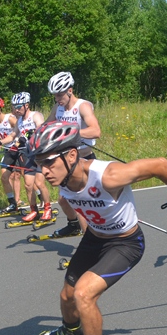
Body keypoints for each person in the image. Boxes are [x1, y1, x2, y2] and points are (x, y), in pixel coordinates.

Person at [27, 121, 167, 335]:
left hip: (126, 243)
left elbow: (161, 164)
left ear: (71, 155)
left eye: (48, 163)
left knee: (83, 294)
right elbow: (71, 200)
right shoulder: (64, 178)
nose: (43, 172)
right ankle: (71, 332)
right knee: (67, 297)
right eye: (39, 164)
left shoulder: (109, 176)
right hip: (95, 239)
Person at [47, 71, 101, 238]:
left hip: (83, 159)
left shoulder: (83, 106)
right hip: (67, 161)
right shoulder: (58, 107)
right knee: (63, 200)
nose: (57, 99)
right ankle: (73, 226)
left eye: (60, 95)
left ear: (70, 90)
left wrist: (70, 132)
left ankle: (89, 245)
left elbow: (95, 131)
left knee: (82, 204)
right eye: (55, 96)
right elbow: (46, 125)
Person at [10, 92, 54, 223]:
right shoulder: (19, 121)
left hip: (41, 155)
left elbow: (41, 129)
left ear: (26, 105)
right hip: (30, 156)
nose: (16, 110)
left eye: (19, 107)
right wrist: (0, 143)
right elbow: (13, 135)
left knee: (40, 183)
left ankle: (48, 208)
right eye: (14, 107)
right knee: (28, 185)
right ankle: (34, 210)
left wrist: (27, 136)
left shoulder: (36, 115)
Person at [0, 97, 22, 214]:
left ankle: (41, 199)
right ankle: (12, 203)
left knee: (27, 177)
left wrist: (17, 142)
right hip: (8, 151)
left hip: (20, 149)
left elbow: (22, 130)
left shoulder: (10, 119)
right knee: (4, 176)